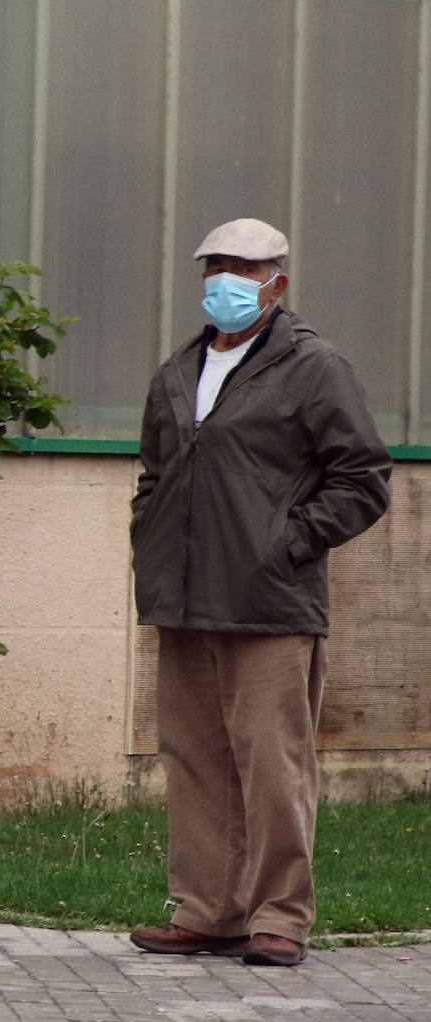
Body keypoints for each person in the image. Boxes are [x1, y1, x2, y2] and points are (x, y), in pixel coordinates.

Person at [128, 217, 391, 967]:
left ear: (277, 280)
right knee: (195, 759)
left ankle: (280, 917)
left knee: (274, 765)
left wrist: (289, 542)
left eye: (242, 268)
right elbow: (155, 476)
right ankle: (209, 910)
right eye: (215, 265)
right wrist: (149, 542)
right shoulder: (179, 369)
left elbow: (364, 478)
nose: (225, 280)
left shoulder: (314, 367)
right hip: (183, 600)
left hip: (270, 603)